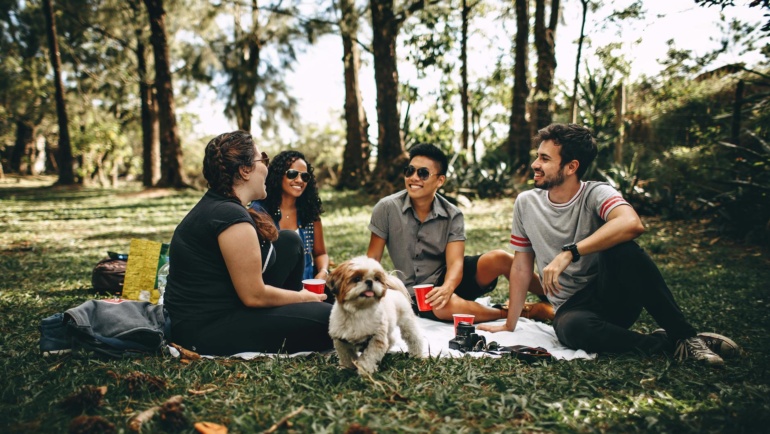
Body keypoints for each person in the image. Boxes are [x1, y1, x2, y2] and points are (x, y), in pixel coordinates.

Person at [478, 123, 738, 366]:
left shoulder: (596, 193)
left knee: (623, 248)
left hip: (613, 294)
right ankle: (668, 343)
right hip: (572, 309)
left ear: (571, 167)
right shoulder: (526, 203)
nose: (535, 164)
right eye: (538, 156)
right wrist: (509, 325)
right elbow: (522, 267)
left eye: (545, 159)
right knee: (572, 330)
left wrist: (570, 252)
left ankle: (686, 336)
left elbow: (631, 223)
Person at [164, 131, 333, 355]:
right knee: (332, 320)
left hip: (228, 305)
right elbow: (254, 296)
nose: (266, 166)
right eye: (262, 158)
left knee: (289, 241)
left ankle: (298, 311)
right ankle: (302, 311)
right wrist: (303, 297)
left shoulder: (223, 206)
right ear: (245, 171)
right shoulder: (229, 217)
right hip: (205, 328)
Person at [366, 143, 551, 323]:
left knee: (500, 258)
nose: (414, 178)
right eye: (410, 171)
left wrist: (447, 288)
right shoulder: (387, 208)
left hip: (451, 278)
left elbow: (455, 263)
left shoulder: (452, 214)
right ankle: (522, 312)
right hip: (417, 292)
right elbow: (372, 259)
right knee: (443, 306)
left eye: (422, 173)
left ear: (440, 180)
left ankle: (553, 296)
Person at [250, 150, 329, 281]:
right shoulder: (259, 212)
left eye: (305, 176)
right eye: (292, 174)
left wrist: (323, 272)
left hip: (308, 289)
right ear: (278, 175)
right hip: (274, 290)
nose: (299, 180)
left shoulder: (309, 212)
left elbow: (321, 253)